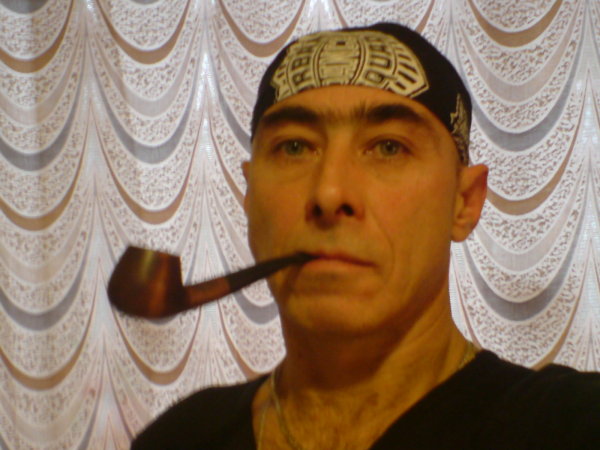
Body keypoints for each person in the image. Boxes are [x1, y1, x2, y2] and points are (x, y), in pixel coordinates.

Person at [131, 23, 600, 449]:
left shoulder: (570, 425)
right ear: (249, 195)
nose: (329, 192)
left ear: (465, 202)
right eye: (294, 146)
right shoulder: (180, 439)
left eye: (389, 147)